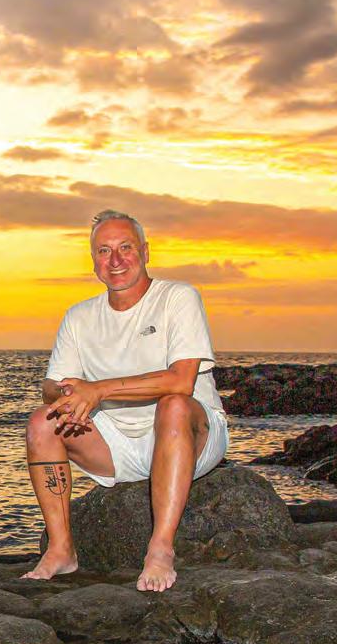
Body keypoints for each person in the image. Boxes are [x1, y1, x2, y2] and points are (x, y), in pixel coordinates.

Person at [22, 209, 228, 592]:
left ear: (145, 252)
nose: (115, 260)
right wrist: (69, 395)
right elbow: (51, 386)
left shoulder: (177, 298)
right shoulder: (79, 317)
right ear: (93, 261)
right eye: (104, 251)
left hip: (190, 436)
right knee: (42, 422)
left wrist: (98, 390)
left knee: (173, 404)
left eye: (125, 248)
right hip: (119, 445)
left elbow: (181, 381)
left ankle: (160, 548)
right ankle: (61, 549)